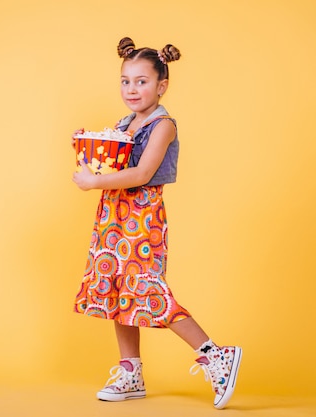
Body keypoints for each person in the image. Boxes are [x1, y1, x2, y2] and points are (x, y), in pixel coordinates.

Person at [71, 37, 242, 410]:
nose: (132, 89)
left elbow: (143, 172)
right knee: (119, 292)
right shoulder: (126, 121)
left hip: (140, 219)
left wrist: (95, 181)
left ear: (161, 85)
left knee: (147, 291)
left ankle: (215, 355)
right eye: (125, 81)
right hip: (113, 217)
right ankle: (130, 371)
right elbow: (114, 162)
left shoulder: (163, 125)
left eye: (142, 81)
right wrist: (88, 147)